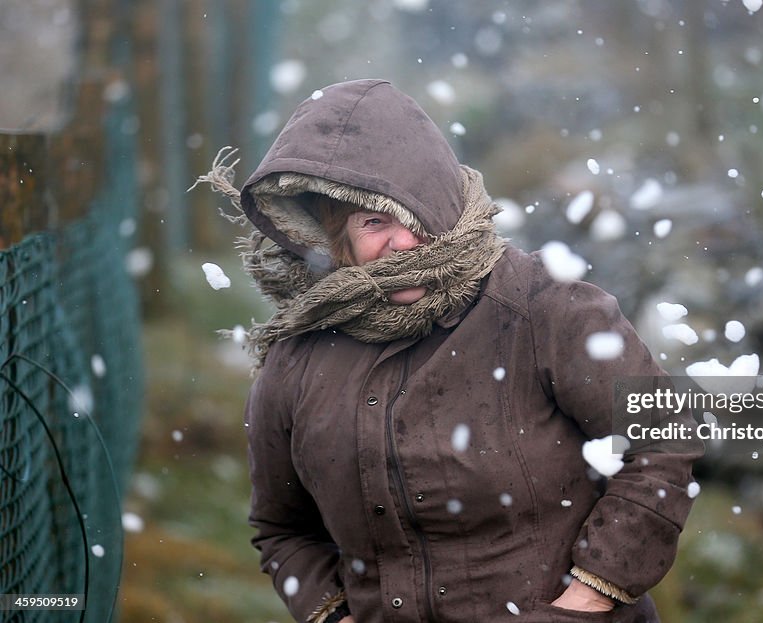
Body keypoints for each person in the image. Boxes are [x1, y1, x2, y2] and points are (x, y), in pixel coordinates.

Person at [196, 79, 703, 623]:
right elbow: (283, 529)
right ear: (333, 241)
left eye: (412, 214)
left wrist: (587, 598)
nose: (403, 241)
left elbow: (665, 437)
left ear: (443, 205)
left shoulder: (543, 307)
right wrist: (333, 615)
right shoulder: (296, 359)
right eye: (373, 222)